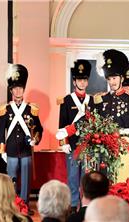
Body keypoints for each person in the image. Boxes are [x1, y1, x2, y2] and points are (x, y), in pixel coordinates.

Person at [0, 64, 43, 213]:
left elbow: (39, 128)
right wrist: (2, 151)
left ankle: (24, 206)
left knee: (26, 182)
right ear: (11, 90)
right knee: (11, 181)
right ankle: (11, 206)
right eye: (15, 88)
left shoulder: (31, 109)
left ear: (24, 90)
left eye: (20, 88)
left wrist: (36, 138)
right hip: (10, 150)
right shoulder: (6, 109)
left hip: (26, 150)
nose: (18, 91)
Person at [94, 49, 129, 175]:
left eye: (114, 78)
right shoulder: (100, 100)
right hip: (106, 150)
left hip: (125, 151)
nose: (111, 82)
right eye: (109, 79)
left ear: (121, 78)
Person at [56, 59, 93, 211]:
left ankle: (85, 205)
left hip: (88, 145)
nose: (82, 82)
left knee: (86, 178)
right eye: (79, 79)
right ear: (74, 81)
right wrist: (63, 143)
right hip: (72, 144)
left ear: (87, 81)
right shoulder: (66, 100)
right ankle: (72, 205)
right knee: (72, 177)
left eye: (84, 79)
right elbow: (62, 124)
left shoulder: (93, 101)